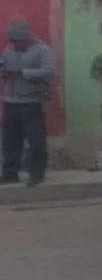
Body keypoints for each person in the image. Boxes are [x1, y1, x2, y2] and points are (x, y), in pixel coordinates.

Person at [1, 20, 55, 187]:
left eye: (18, 41)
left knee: (36, 141)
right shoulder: (8, 51)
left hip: (32, 102)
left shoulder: (42, 50)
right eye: (13, 41)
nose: (15, 44)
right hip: (11, 101)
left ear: (26, 38)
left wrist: (23, 73)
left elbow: (50, 70)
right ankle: (10, 173)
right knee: (10, 141)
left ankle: (36, 174)